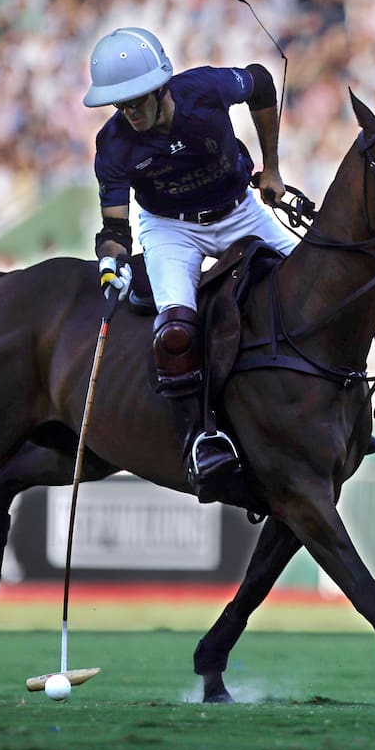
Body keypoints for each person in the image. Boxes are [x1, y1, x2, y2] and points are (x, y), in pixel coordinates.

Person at [82, 26, 298, 488]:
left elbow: (261, 80)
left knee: (314, 281)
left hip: (241, 210)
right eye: (121, 104)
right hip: (171, 229)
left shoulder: (203, 89)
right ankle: (201, 439)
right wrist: (111, 260)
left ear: (162, 87)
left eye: (138, 99)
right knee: (175, 332)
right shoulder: (114, 145)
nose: (130, 112)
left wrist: (273, 166)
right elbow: (115, 227)